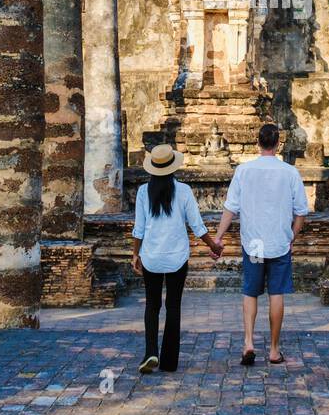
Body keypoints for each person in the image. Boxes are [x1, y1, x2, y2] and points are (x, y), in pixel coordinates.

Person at [214, 123, 308, 365]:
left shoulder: (244, 171)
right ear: (278, 144)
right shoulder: (290, 172)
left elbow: (230, 208)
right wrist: (291, 237)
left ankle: (248, 342)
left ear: (258, 143)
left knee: (251, 291)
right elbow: (301, 214)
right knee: (276, 292)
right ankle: (274, 350)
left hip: (254, 243)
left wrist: (218, 237)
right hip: (279, 242)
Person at [132, 143, 222, 373]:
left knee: (152, 305)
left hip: (151, 255)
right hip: (177, 257)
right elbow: (196, 225)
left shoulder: (143, 191)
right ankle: (169, 360)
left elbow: (139, 228)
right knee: (173, 306)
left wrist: (135, 253)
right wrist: (214, 245)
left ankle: (150, 352)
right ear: (173, 167)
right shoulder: (183, 190)